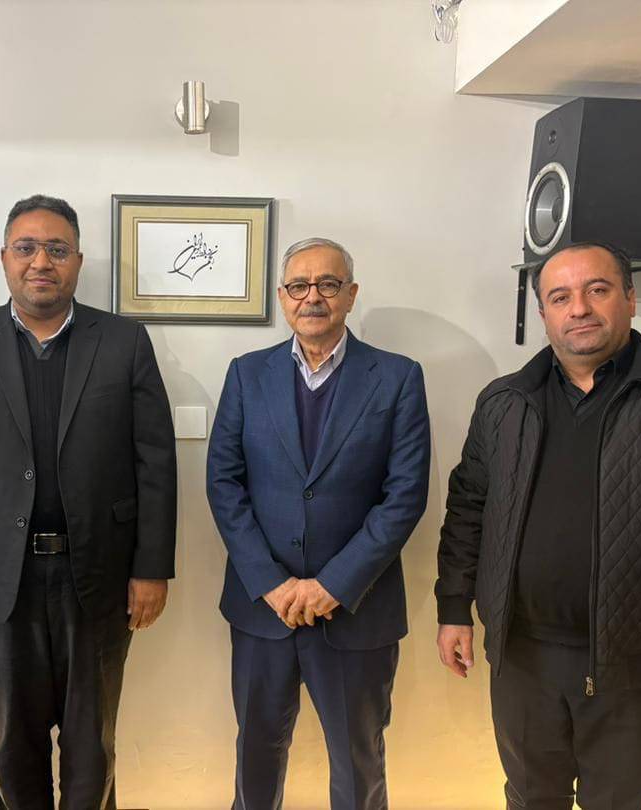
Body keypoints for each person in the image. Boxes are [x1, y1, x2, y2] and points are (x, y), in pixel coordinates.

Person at [436, 241, 641, 809]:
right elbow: (468, 510)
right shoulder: (503, 402)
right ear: (544, 312)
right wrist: (453, 609)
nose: (580, 309)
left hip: (635, 664)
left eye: (597, 290)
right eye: (560, 296)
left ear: (630, 298)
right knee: (529, 797)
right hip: (521, 657)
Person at [0, 194, 177, 809]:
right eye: (26, 248)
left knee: (93, 744)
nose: (41, 262)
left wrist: (151, 569)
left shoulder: (124, 341)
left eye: (57, 249)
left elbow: (156, 464)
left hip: (100, 575)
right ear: (4, 258)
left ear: (78, 260)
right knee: (13, 743)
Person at [207, 237, 430, 810]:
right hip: (264, 610)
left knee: (359, 764)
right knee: (256, 757)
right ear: (282, 297)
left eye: (328, 284)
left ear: (350, 294)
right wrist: (273, 583)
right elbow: (224, 485)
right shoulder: (246, 375)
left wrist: (333, 585)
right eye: (299, 286)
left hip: (357, 610)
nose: (313, 297)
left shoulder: (398, 377)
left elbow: (404, 496)